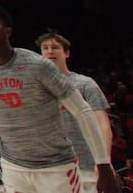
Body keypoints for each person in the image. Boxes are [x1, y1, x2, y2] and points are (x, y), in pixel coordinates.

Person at [0, 7, 117, 193]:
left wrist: (104, 165)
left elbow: (82, 111)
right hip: (14, 167)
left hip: (56, 167)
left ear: (7, 32)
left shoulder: (38, 66)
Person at [37, 29, 114, 192]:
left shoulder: (85, 84)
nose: (50, 51)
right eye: (45, 48)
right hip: (51, 168)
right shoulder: (36, 88)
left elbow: (103, 125)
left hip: (87, 166)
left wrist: (104, 162)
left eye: (55, 47)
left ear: (67, 53)